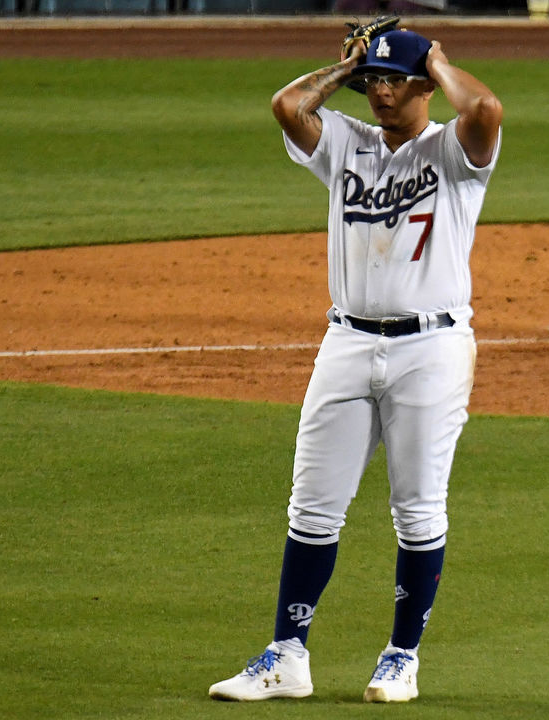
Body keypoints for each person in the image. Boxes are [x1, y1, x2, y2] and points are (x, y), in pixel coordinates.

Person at [208, 26, 502, 704]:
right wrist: (347, 67)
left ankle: (401, 658)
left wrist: (432, 59)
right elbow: (287, 106)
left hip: (431, 348)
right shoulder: (345, 141)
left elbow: (484, 111)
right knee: (311, 509)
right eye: (374, 78)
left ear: (427, 84)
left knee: (418, 511)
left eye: (395, 78)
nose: (382, 89)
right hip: (344, 342)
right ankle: (287, 656)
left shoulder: (455, 153)